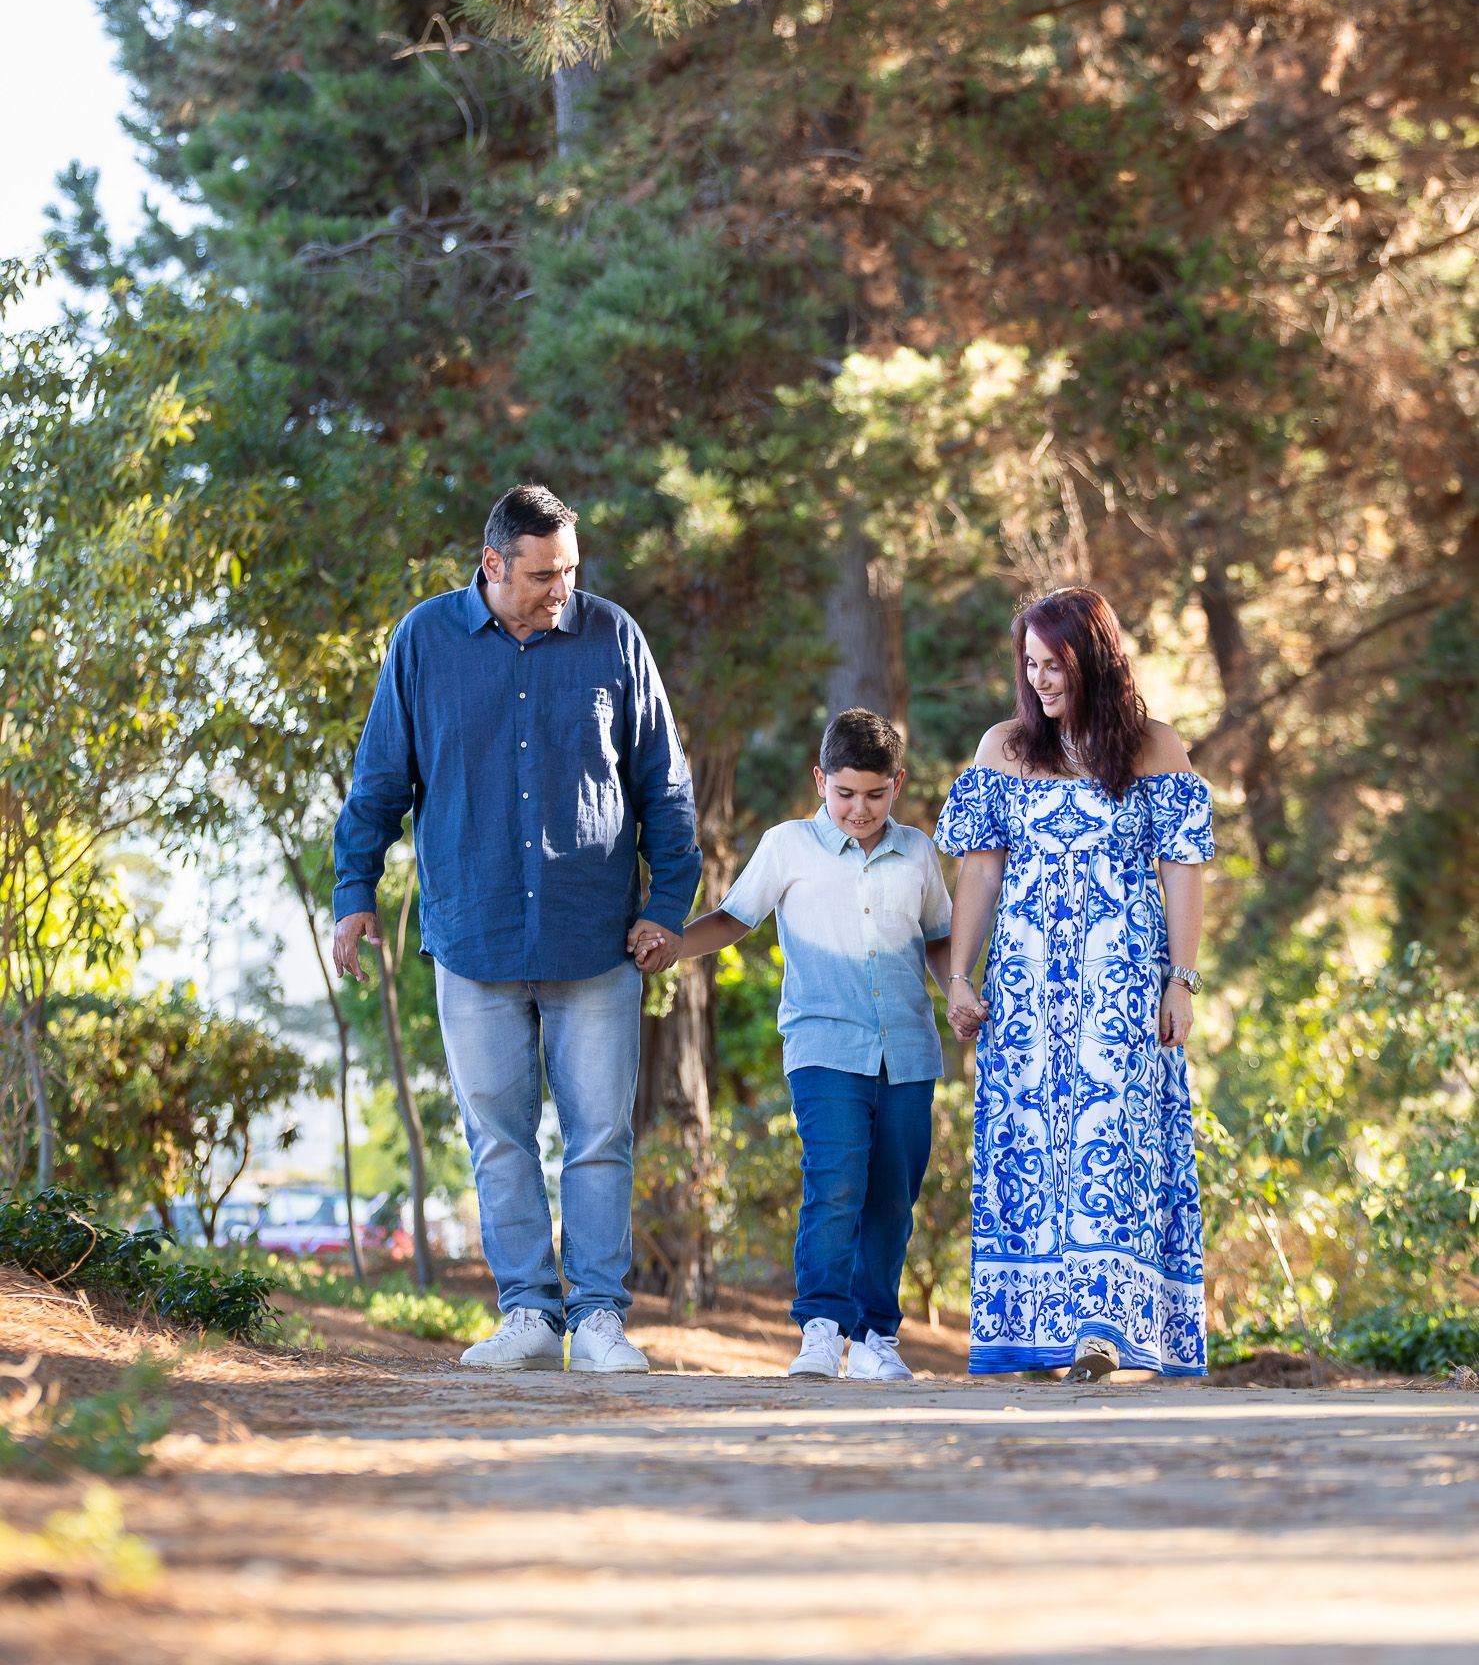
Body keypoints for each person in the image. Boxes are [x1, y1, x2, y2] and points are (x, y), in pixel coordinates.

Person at [332, 484, 701, 1375]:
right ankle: (529, 1314)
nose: (560, 591)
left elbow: (664, 785)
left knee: (599, 1137)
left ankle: (600, 1317)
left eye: (569, 571)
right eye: (542, 576)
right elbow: (379, 780)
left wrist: (665, 907)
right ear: (492, 564)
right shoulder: (424, 640)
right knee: (498, 1139)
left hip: (594, 937)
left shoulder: (613, 635)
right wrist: (354, 890)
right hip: (474, 935)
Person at [935, 586, 1214, 1382]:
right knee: (1027, 1142)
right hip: (1026, 990)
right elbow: (979, 872)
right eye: (1030, 665)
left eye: (1054, 664)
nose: (1040, 680)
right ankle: (1031, 1332)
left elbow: (1182, 871)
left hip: (1122, 983)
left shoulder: (1154, 747)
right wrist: (958, 976)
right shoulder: (1003, 748)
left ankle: (1100, 1332)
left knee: (1108, 1136)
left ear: (1093, 659)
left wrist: (1180, 981)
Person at [636, 708, 952, 1381]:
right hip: (823, 1046)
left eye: (875, 794)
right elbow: (733, 919)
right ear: (819, 780)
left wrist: (960, 991)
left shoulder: (918, 853)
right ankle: (820, 1328)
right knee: (836, 1183)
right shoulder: (788, 846)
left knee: (892, 1197)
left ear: (897, 784)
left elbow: (938, 940)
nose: (859, 809)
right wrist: (672, 944)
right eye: (844, 793)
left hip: (907, 1050)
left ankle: (874, 1338)